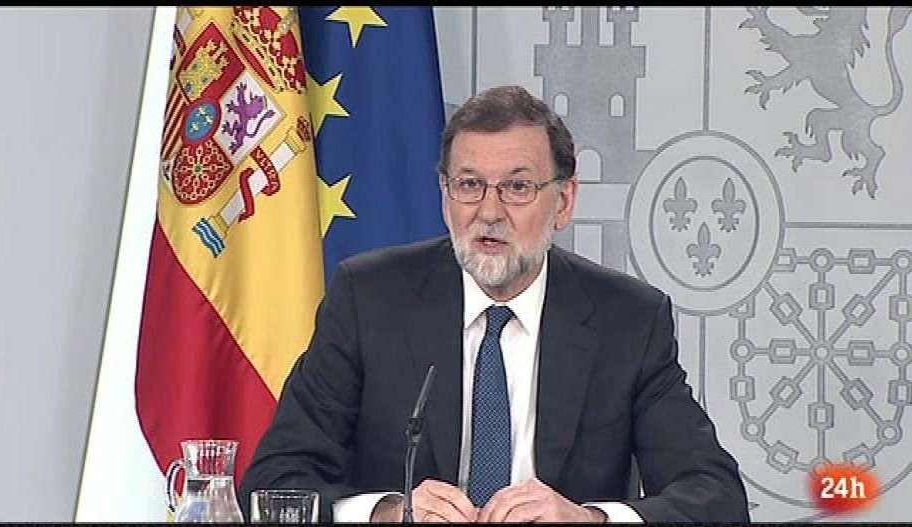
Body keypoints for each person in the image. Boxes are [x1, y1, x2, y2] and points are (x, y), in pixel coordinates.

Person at [237, 84, 751, 523]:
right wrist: (388, 513)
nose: (489, 211)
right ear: (445, 196)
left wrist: (588, 519)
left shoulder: (628, 319)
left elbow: (715, 496)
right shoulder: (369, 298)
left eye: (517, 187)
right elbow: (274, 482)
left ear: (564, 201)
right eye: (469, 185)